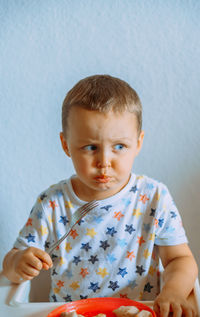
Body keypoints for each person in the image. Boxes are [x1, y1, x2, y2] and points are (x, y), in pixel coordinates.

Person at [3, 75, 198, 316]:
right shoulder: (51, 204)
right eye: (90, 147)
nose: (104, 162)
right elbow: (9, 268)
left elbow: (180, 260)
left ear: (138, 143)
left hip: (139, 312)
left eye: (119, 146)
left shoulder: (154, 197)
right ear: (66, 145)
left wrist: (174, 291)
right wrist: (18, 263)